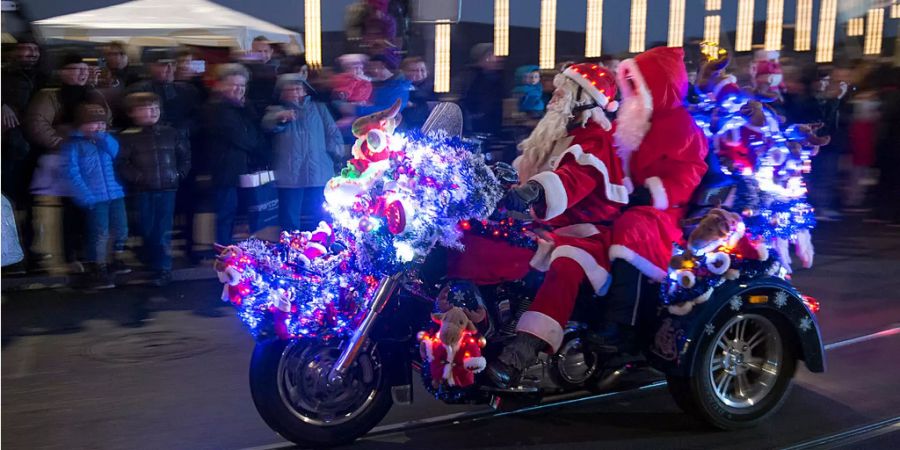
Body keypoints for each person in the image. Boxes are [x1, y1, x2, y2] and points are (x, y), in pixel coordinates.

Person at [485, 64, 628, 388]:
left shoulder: (595, 141)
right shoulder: (556, 134)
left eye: (565, 88)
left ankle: (523, 351)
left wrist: (534, 190)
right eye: (558, 86)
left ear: (584, 100)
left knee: (566, 264)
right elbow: (522, 168)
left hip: (584, 234)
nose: (555, 94)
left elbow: (574, 179)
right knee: (485, 241)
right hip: (544, 226)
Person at [608, 47, 708, 325]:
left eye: (637, 84)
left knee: (631, 231)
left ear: (658, 88)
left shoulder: (681, 126)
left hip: (664, 211)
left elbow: (690, 173)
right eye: (629, 85)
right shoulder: (632, 120)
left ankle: (622, 325)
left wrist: (650, 193)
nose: (631, 92)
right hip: (624, 199)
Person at [25, 53, 109, 270]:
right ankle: (71, 255)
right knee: (71, 209)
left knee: (89, 207)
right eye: (75, 69)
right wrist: (61, 144)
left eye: (84, 69)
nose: (82, 73)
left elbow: (105, 120)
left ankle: (87, 253)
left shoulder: (93, 94)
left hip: (90, 159)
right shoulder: (50, 96)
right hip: (64, 159)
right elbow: (37, 123)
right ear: (62, 72)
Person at [116, 93, 190, 286]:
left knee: (163, 228)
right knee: (146, 227)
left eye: (155, 108)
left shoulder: (170, 132)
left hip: (167, 188)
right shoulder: (127, 137)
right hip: (143, 189)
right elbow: (122, 163)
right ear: (133, 113)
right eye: (147, 108)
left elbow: (184, 156)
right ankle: (151, 259)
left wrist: (178, 174)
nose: (153, 112)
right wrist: (138, 178)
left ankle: (162, 268)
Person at [263, 74, 344, 232]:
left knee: (321, 213)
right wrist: (281, 118)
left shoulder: (319, 108)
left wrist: (336, 153)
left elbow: (332, 133)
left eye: (298, 88)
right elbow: (268, 124)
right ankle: (291, 249)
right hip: (289, 173)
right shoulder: (276, 111)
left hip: (319, 170)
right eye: (289, 89)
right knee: (289, 218)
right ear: (281, 93)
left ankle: (322, 246)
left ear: (305, 91)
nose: (294, 92)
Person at [62, 103, 128, 289]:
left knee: (121, 228)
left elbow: (116, 152)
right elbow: (71, 173)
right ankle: (97, 267)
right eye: (93, 123)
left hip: (115, 194)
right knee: (99, 233)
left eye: (102, 123)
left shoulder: (105, 141)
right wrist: (85, 196)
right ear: (81, 125)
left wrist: (103, 138)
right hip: (95, 197)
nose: (98, 127)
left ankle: (116, 257)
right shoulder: (73, 146)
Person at [203, 64, 267, 245]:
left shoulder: (243, 108)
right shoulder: (217, 109)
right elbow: (246, 139)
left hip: (243, 169)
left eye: (242, 86)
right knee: (226, 214)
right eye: (233, 85)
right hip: (225, 170)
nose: (238, 89)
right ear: (221, 85)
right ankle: (224, 254)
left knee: (246, 214)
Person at [2, 36, 46, 205]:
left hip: (36, 137)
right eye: (27, 48)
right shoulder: (5, 75)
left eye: (35, 50)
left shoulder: (44, 77)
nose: (32, 53)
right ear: (16, 51)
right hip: (12, 138)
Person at [127, 49, 199, 136]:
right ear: (150, 66)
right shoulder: (138, 90)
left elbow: (195, 118)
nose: (170, 69)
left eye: (173, 64)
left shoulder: (187, 90)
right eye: (163, 65)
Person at [460, 43, 504, 135]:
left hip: (494, 127)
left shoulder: (497, 78)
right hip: (477, 128)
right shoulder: (470, 78)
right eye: (490, 56)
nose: (495, 60)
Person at [400, 56, 436, 130]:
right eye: (414, 70)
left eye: (422, 70)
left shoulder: (434, 87)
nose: (419, 73)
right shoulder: (397, 88)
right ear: (403, 72)